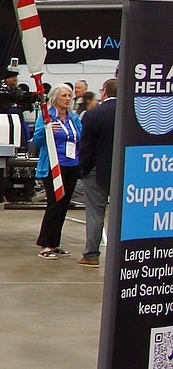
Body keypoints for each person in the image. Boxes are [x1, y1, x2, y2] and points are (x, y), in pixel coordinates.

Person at [34, 84, 82, 259]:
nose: (68, 99)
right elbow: (37, 141)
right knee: (54, 204)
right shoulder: (47, 117)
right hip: (54, 166)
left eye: (69, 96)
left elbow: (79, 138)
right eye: (64, 95)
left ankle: (55, 243)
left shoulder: (73, 118)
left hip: (71, 165)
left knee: (63, 205)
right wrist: (47, 131)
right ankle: (45, 244)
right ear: (55, 98)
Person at [77, 78, 117, 268]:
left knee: (95, 213)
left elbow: (86, 147)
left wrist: (83, 169)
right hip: (124, 171)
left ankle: (91, 255)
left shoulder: (93, 115)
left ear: (104, 92)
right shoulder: (131, 112)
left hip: (96, 171)